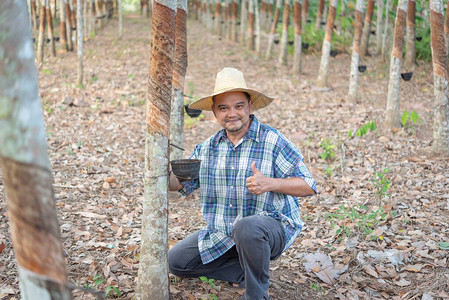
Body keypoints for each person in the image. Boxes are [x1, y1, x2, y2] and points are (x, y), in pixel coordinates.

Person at [168, 67, 317, 300]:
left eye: (238, 106)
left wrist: (270, 184)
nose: (232, 113)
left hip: (270, 229)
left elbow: (309, 185)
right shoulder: (207, 148)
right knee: (176, 262)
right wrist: (160, 168)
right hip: (222, 232)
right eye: (223, 108)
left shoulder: (272, 140)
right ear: (215, 112)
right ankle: (248, 270)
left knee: (247, 228)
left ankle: (257, 292)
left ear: (249, 106)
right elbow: (179, 184)